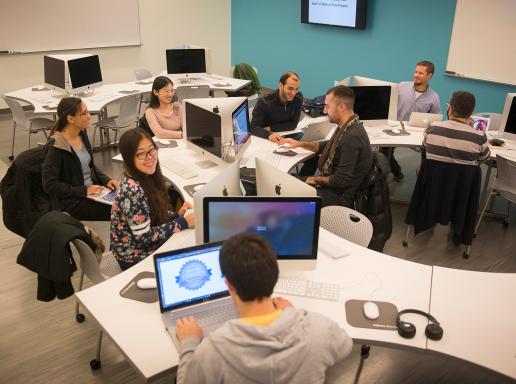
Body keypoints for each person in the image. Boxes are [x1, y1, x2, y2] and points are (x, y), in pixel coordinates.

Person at [176, 233, 352, 384]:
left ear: (229, 285)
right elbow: (345, 346)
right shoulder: (318, 329)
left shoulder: (212, 352)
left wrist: (189, 342)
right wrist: (292, 314)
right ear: (275, 277)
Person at [110, 128, 194, 270]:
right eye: (140, 154)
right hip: (134, 257)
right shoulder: (132, 191)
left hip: (140, 246)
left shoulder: (142, 176)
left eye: (151, 150)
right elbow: (144, 238)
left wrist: (175, 216)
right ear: (129, 158)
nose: (149, 157)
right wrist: (183, 222)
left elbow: (149, 212)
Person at [280, 85, 373, 208]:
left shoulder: (352, 136)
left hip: (338, 196)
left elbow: (341, 180)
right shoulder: (348, 125)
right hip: (333, 187)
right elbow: (328, 145)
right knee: (286, 180)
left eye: (327, 106)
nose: (324, 111)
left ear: (341, 107)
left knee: (285, 194)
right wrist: (300, 144)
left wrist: (316, 179)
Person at [42, 97, 117, 221]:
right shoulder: (57, 146)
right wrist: (84, 191)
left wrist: (106, 180)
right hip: (74, 201)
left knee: (130, 202)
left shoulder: (82, 134)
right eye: (85, 113)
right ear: (71, 119)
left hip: (94, 192)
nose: (89, 116)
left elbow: (90, 165)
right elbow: (49, 185)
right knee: (124, 210)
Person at [383, 60, 441, 181]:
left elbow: (435, 120)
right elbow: (388, 103)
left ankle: (423, 178)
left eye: (420, 73)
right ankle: (397, 172)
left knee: (427, 154)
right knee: (385, 152)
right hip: (396, 128)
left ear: (429, 76)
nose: (416, 75)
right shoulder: (402, 86)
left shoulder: (434, 97)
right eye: (415, 72)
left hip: (417, 133)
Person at [423, 91, 490, 165]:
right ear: (471, 111)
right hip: (463, 176)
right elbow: (484, 158)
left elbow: (425, 146)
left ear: (450, 108)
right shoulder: (479, 137)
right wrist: (472, 130)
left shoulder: (432, 127)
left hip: (432, 175)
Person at [250, 71, 303, 143]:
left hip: (284, 135)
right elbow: (253, 127)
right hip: (265, 138)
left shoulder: (298, 97)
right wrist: (268, 135)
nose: (293, 93)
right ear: (280, 86)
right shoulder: (264, 101)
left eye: (296, 89)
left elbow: (293, 124)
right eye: (290, 89)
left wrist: (272, 128)